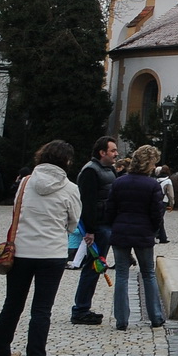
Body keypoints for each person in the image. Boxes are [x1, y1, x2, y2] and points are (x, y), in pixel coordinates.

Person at [0, 140, 81, 356]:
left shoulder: (25, 182)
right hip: (51, 253)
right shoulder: (70, 188)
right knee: (41, 310)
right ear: (67, 162)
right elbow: (73, 224)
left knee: (12, 304)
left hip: (21, 251)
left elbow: (17, 212)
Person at [104, 145, 166, 330]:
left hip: (121, 230)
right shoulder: (152, 185)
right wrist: (153, 230)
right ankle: (155, 316)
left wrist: (114, 225)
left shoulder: (119, 182)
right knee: (148, 274)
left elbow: (110, 209)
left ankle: (121, 320)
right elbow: (157, 213)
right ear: (150, 163)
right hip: (143, 231)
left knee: (122, 274)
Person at [69, 136, 118, 324]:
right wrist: (89, 230)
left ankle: (83, 307)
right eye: (113, 150)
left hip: (105, 223)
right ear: (102, 152)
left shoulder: (108, 170)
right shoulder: (90, 171)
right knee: (92, 267)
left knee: (95, 268)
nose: (116, 154)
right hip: (97, 226)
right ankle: (80, 309)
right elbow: (87, 203)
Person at [155, 166, 175, 244]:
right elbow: (171, 194)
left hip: (156, 200)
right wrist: (172, 204)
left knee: (160, 219)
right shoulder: (168, 181)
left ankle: (162, 236)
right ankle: (159, 236)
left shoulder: (156, 180)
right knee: (160, 219)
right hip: (164, 200)